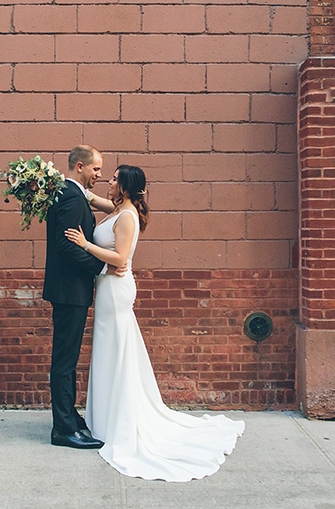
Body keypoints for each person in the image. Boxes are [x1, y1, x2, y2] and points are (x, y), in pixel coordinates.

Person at [65, 165, 245, 481]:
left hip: (117, 289)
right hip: (107, 288)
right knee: (110, 351)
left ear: (125, 186)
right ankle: (106, 419)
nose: (109, 180)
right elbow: (89, 196)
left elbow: (121, 259)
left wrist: (84, 245)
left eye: (115, 178)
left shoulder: (128, 216)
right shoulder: (118, 208)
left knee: (116, 350)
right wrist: (57, 181)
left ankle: (118, 422)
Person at [43, 145, 111, 450]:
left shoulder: (72, 193)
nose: (99, 175)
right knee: (65, 361)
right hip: (70, 291)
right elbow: (66, 246)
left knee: (67, 360)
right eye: (96, 169)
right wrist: (100, 265)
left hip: (70, 290)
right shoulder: (70, 196)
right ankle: (64, 429)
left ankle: (69, 418)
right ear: (80, 166)